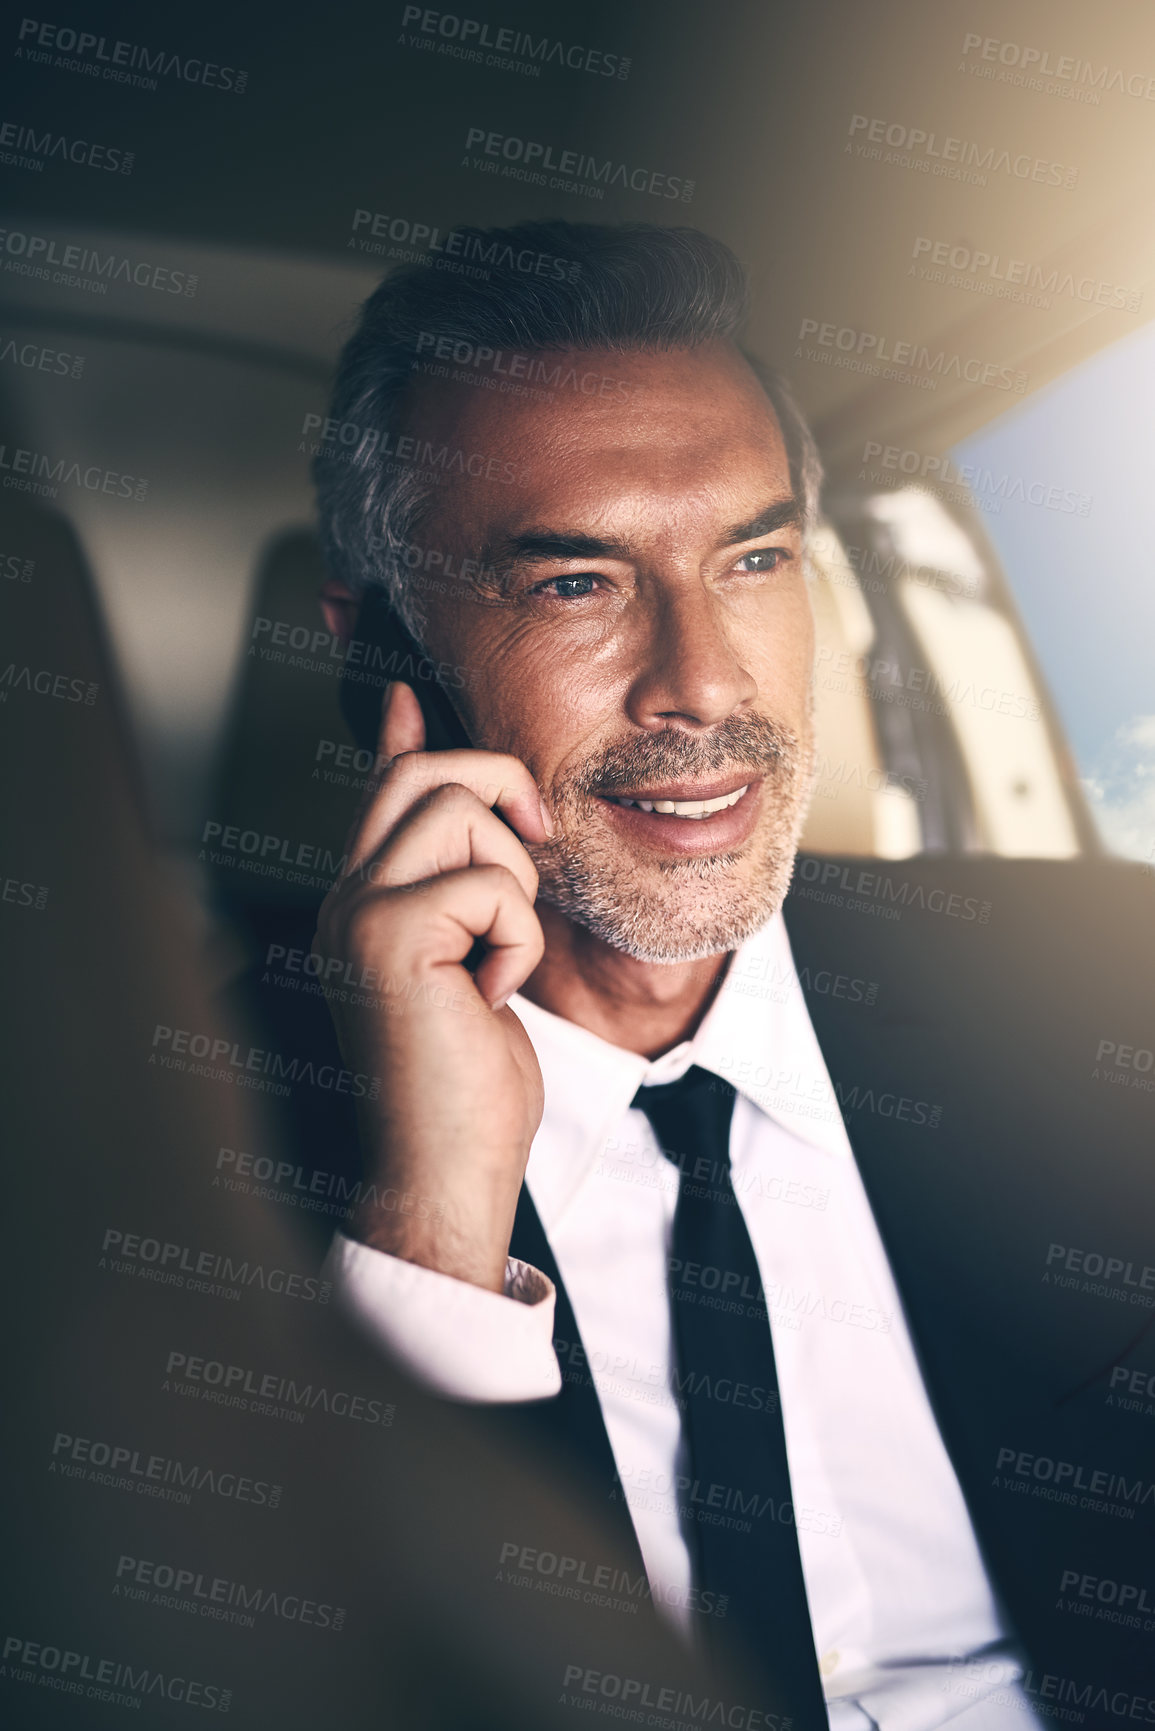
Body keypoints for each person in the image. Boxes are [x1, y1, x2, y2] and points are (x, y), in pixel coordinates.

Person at [245, 222, 1155, 1731]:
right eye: (576, 586)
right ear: (380, 654)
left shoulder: (1104, 993)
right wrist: (435, 1226)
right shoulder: (168, 1125)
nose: (707, 683)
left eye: (754, 558)